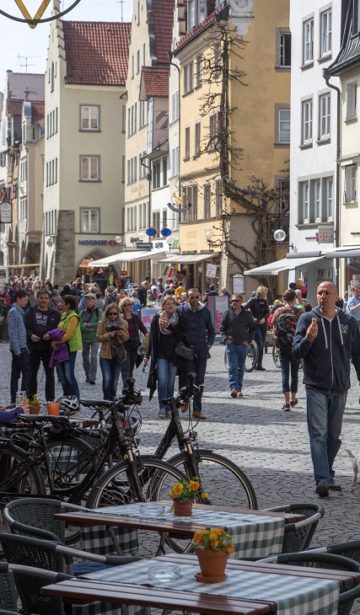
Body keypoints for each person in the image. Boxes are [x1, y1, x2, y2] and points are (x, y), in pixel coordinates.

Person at [293, 281, 360, 498]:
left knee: (333, 437)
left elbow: (358, 354)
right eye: (319, 292)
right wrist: (309, 339)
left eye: (327, 293)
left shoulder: (348, 321)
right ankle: (322, 479)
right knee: (318, 435)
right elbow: (295, 353)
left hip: (340, 387)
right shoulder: (306, 319)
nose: (322, 296)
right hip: (316, 386)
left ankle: (328, 473)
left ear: (336, 297)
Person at [144, 296, 187, 418]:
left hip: (174, 355)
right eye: (167, 304)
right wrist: (147, 355)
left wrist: (170, 327)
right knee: (162, 381)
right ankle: (162, 407)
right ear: (163, 305)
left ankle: (170, 407)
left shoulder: (180, 319)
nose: (170, 306)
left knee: (170, 382)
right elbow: (152, 338)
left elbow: (182, 337)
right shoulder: (157, 318)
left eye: (172, 303)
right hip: (161, 354)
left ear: (175, 305)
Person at [177, 288, 215, 420]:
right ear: (187, 298)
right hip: (186, 350)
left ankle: (197, 409)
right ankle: (185, 399)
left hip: (201, 350)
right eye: (191, 297)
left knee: (200, 380)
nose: (193, 300)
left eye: (196, 297)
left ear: (200, 297)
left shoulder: (205, 311)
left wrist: (208, 344)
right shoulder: (181, 310)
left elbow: (211, 331)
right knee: (187, 377)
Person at [24, 288, 60, 401]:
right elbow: (23, 328)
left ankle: (50, 400)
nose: (43, 300)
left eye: (45, 298)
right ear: (36, 298)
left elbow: (59, 329)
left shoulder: (55, 314)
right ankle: (32, 400)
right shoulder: (29, 313)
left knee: (50, 375)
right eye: (41, 298)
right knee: (32, 375)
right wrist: (30, 335)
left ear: (49, 300)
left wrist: (51, 335)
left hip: (48, 348)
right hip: (33, 348)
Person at [220, 294, 256, 398]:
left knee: (240, 368)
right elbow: (222, 328)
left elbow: (253, 328)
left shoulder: (247, 314)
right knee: (232, 367)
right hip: (231, 344)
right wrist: (225, 339)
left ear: (241, 302)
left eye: (236, 301)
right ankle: (233, 388)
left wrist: (248, 340)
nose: (234, 303)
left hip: (242, 344)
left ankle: (239, 388)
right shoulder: (227, 313)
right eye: (232, 301)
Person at [272, 289, 301, 411]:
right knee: (294, 373)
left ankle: (286, 402)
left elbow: (272, 324)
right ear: (295, 299)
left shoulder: (279, 311)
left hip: (282, 346)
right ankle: (293, 399)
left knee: (284, 372)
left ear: (284, 299)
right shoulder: (298, 311)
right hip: (295, 345)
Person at [96, 303, 129, 400]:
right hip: (105, 355)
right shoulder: (102, 323)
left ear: (118, 314)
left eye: (115, 313)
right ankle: (107, 400)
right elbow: (98, 338)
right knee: (107, 379)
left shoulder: (123, 323)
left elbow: (127, 337)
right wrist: (108, 335)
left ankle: (112, 400)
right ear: (107, 314)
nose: (113, 316)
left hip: (118, 355)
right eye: (110, 314)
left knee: (114, 381)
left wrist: (121, 333)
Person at [55, 295, 82, 399]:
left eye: (62, 302)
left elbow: (69, 334)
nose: (60, 304)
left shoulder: (74, 317)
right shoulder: (64, 315)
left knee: (69, 375)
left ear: (68, 305)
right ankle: (66, 397)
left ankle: (76, 399)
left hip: (70, 348)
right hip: (61, 348)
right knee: (62, 376)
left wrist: (56, 342)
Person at [8, 289, 30, 404]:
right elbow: (12, 332)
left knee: (16, 373)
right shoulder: (14, 312)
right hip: (19, 348)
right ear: (18, 299)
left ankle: (15, 399)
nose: (26, 302)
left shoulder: (19, 311)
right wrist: (17, 349)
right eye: (24, 300)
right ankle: (21, 399)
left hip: (21, 347)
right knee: (26, 372)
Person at [119, 297, 148, 378]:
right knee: (125, 367)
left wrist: (147, 335)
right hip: (124, 346)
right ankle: (126, 387)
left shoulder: (135, 317)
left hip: (134, 346)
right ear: (123, 307)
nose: (130, 306)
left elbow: (143, 328)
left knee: (131, 367)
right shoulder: (120, 318)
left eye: (131, 304)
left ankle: (129, 387)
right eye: (127, 305)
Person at [79, 293, 103, 384]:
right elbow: (79, 326)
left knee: (93, 357)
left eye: (90, 299)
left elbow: (100, 324)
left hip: (95, 338)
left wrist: (88, 325)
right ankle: (87, 375)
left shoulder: (98, 312)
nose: (87, 301)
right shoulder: (82, 313)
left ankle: (92, 377)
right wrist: (89, 328)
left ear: (94, 301)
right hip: (84, 338)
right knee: (85, 358)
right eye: (86, 299)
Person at [245, 286, 269, 371]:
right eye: (265, 292)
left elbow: (267, 312)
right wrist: (252, 318)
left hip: (263, 324)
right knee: (260, 342)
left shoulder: (265, 300)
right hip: (255, 324)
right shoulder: (253, 300)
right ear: (262, 292)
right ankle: (254, 363)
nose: (266, 294)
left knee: (261, 344)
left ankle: (259, 364)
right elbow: (245, 308)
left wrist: (264, 319)